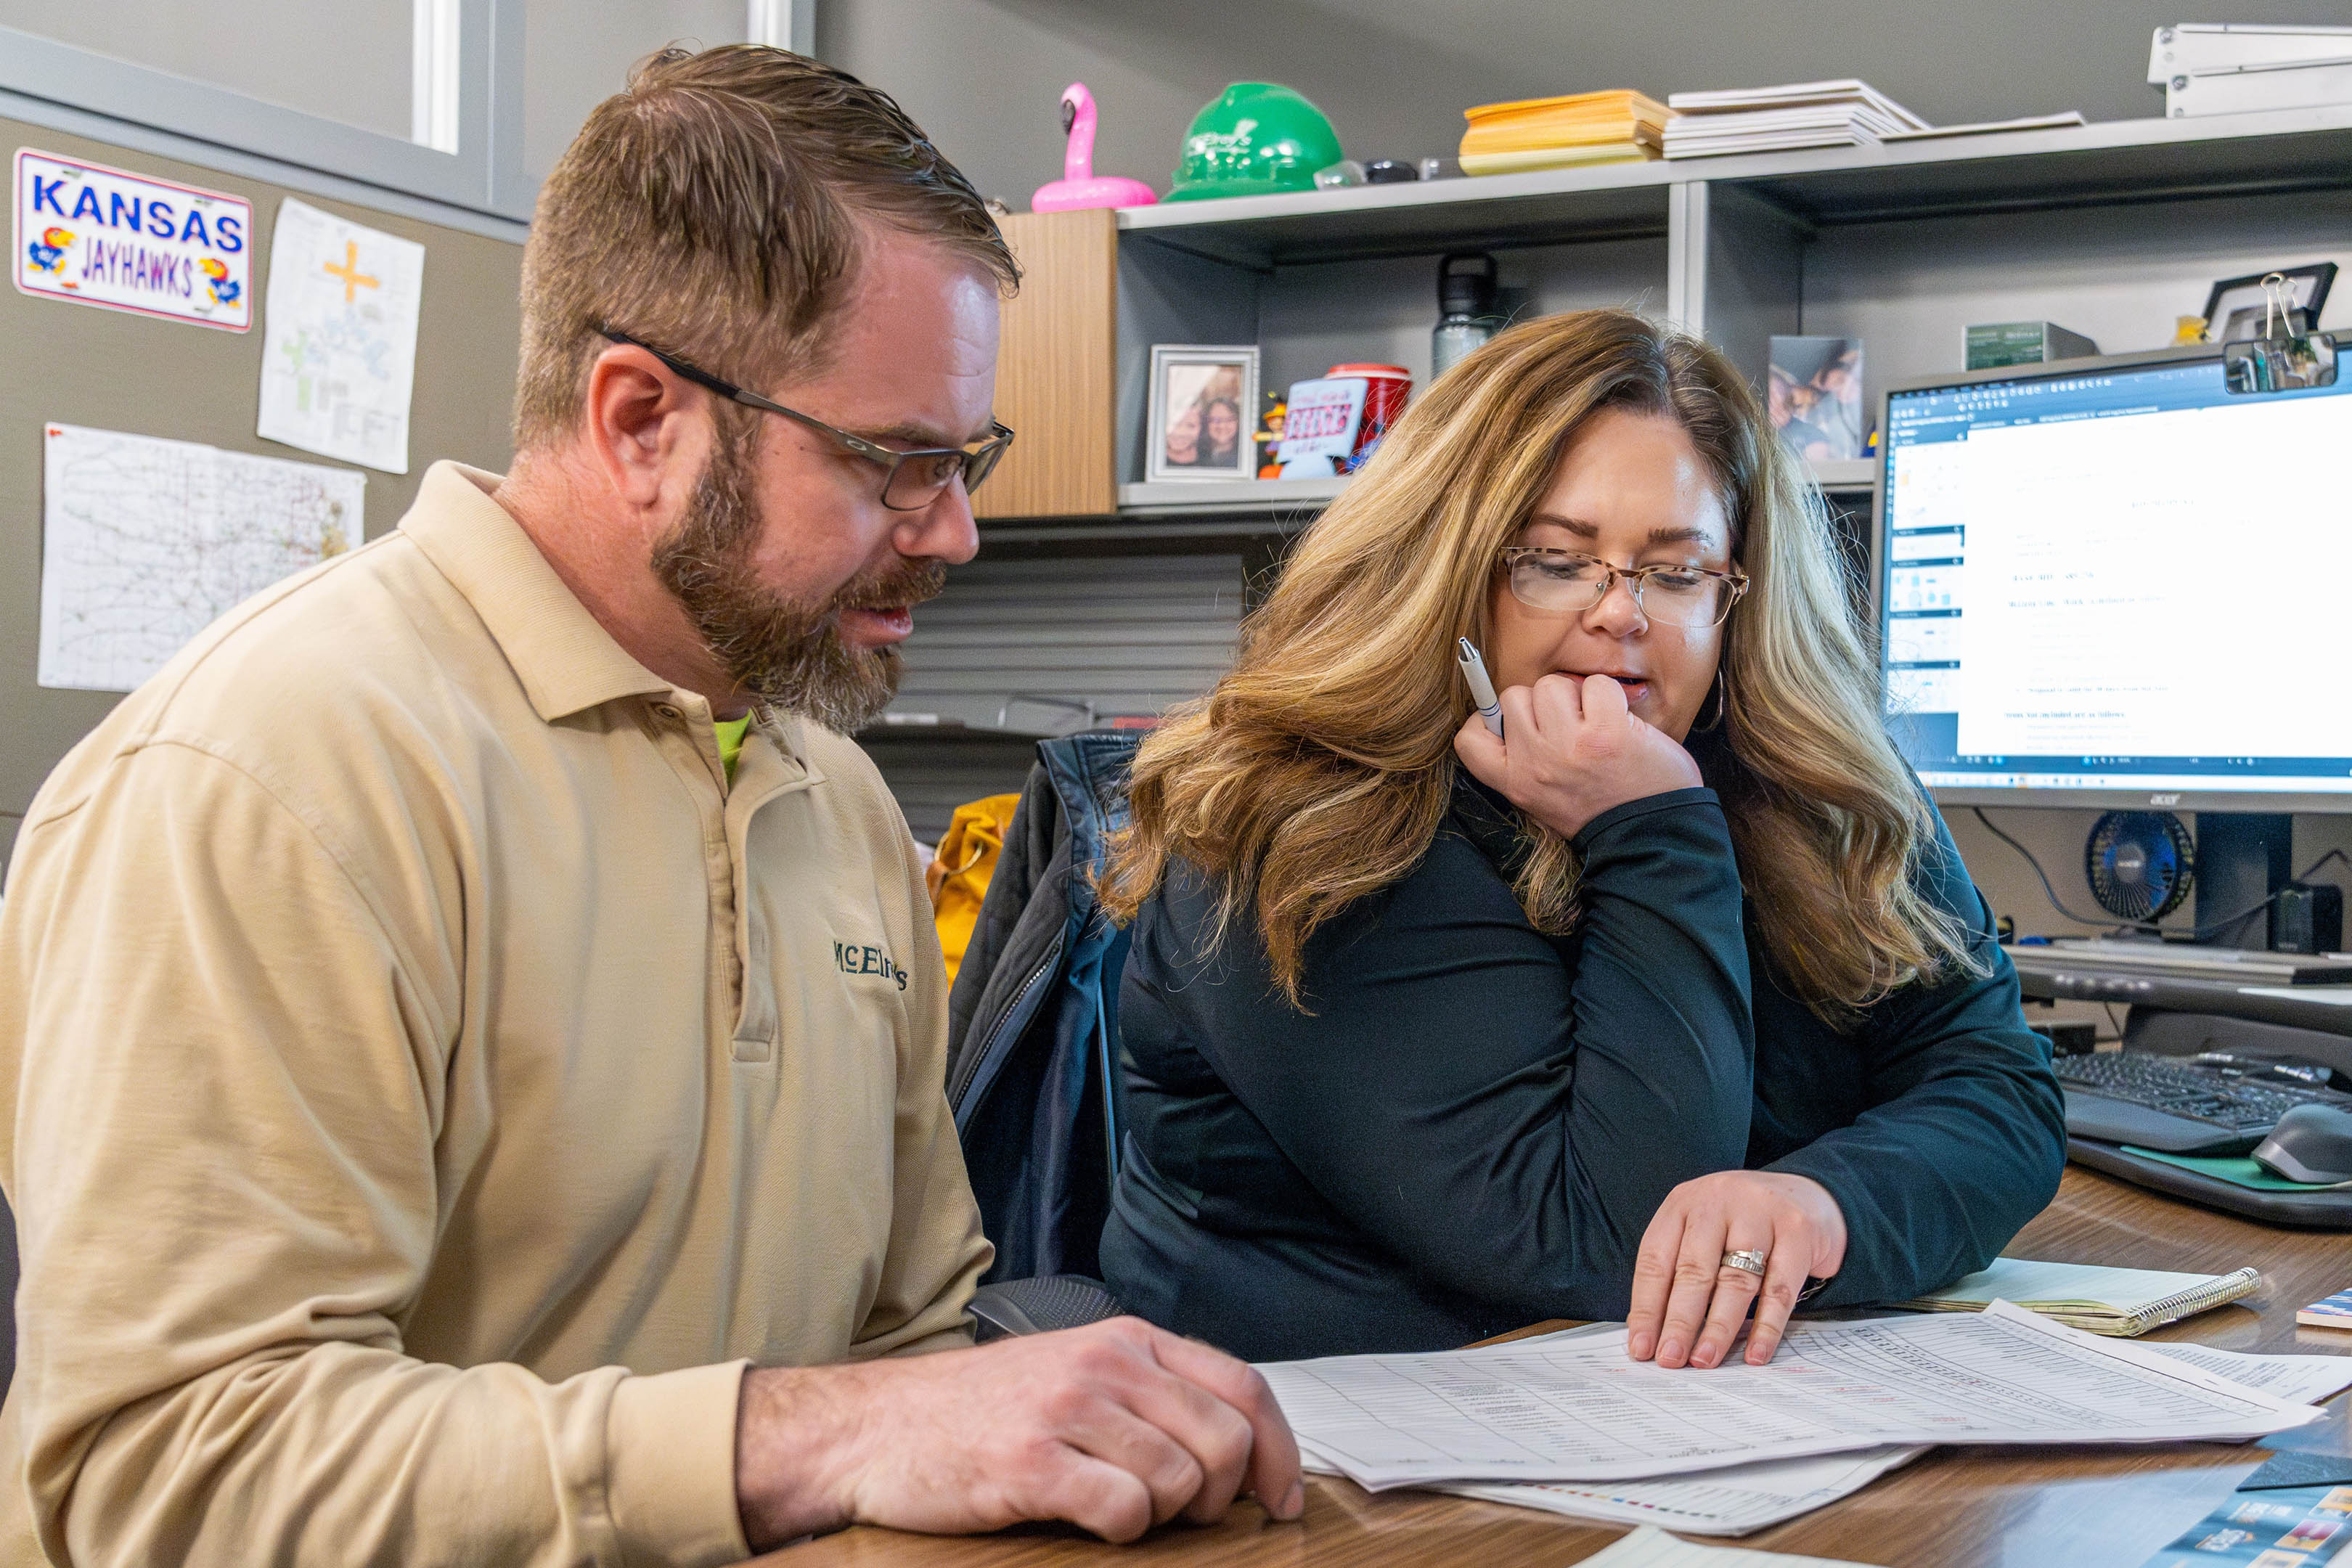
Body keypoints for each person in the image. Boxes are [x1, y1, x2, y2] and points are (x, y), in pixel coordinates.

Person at [0, 46, 1297, 1567]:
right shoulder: (267, 780)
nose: (955, 531)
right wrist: (808, 1438)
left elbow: (913, 1343)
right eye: (898, 463)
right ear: (638, 421)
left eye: (969, 459)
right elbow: (169, 1474)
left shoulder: (836, 799)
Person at [1095, 309, 2065, 1367]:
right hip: (1328, 1468)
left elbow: (1996, 1089)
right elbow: (1608, 1245)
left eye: (1677, 570)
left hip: (1704, 1435)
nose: (1621, 614)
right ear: (1444, 570)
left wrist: (1824, 1203)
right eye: (1557, 561)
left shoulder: (1821, 787)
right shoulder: (1308, 827)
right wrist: (1652, 836)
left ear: (1736, 595)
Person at [1200, 397, 1244, 468]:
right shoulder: (1197, 456)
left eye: (1229, 419)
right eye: (1215, 420)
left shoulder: (1245, 457)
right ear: (1206, 423)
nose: (1222, 426)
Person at [1163, 399, 1203, 467]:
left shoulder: (1209, 460)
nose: (1181, 433)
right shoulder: (1150, 457)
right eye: (1175, 424)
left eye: (1191, 426)